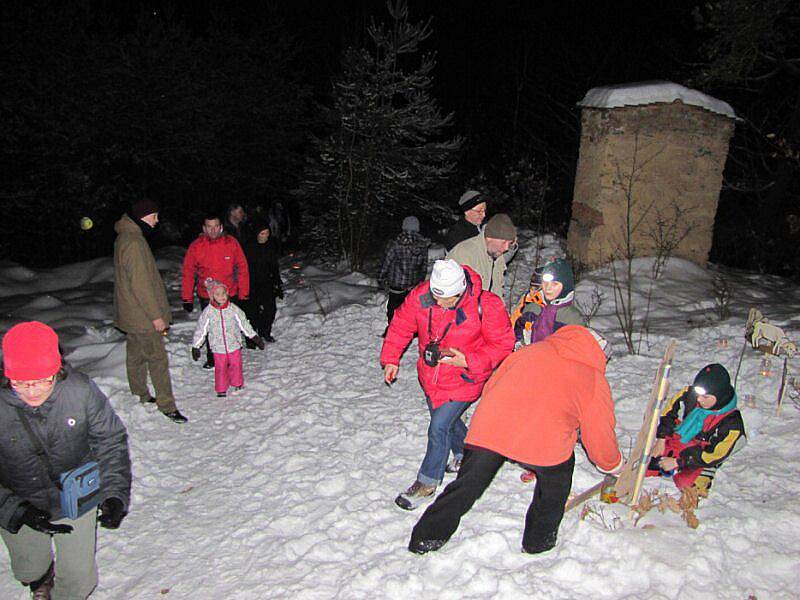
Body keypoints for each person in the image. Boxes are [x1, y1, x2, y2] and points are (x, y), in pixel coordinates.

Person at [408, 326, 622, 555]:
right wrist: (613, 465)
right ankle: (538, 542)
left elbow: (492, 385)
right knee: (554, 484)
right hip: (545, 444)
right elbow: (599, 434)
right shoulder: (593, 378)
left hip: (491, 429)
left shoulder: (531, 351)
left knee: (466, 486)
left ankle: (425, 538)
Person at [0, 321, 132, 599]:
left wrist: (114, 493)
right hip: (19, 498)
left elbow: (110, 440)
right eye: (21, 383)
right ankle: (40, 577)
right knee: (27, 570)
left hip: (76, 498)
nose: (33, 391)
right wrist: (14, 508)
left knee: (79, 581)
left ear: (56, 371)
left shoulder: (80, 391)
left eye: (42, 381)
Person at [380, 259, 515, 511]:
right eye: (436, 296)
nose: (439, 303)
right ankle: (465, 454)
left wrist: (469, 360)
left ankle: (427, 482)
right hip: (430, 377)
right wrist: (390, 358)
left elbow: (503, 345)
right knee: (448, 422)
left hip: (465, 378)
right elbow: (401, 325)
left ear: (461, 290)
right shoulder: (422, 296)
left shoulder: (486, 305)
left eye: (447, 299)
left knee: (438, 427)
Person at [113, 199, 187, 423]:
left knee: (135, 357)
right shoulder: (134, 242)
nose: (156, 221)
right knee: (157, 359)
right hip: (142, 315)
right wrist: (156, 316)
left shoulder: (125, 237)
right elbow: (141, 284)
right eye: (154, 216)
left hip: (131, 314)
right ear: (143, 217)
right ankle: (167, 405)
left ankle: (140, 395)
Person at [647, 363, 746, 494]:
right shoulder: (689, 395)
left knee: (689, 486)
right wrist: (661, 439)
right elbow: (669, 414)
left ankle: (705, 474)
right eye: (698, 394)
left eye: (705, 397)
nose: (699, 399)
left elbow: (714, 455)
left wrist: (679, 462)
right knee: (648, 466)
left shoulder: (732, 423)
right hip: (680, 440)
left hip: (702, 453)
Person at [182, 213, 250, 369]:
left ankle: (233, 355)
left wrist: (244, 292)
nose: (212, 230)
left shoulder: (231, 243)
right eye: (209, 227)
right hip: (207, 296)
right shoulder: (196, 246)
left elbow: (243, 267)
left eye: (215, 227)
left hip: (230, 293)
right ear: (204, 228)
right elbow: (188, 272)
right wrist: (187, 298)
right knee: (211, 327)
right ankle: (212, 357)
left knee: (231, 326)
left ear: (221, 227)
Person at [191, 280, 264, 398]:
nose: (221, 297)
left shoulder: (233, 309)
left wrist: (253, 336)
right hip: (218, 347)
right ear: (212, 296)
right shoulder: (208, 312)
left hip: (233, 344)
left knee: (236, 364)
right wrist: (196, 345)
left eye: (223, 293)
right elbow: (201, 329)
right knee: (220, 368)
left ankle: (237, 383)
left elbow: (243, 324)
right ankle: (221, 388)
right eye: (218, 294)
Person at [511, 258, 582, 347]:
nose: (548, 288)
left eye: (555, 284)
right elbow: (516, 333)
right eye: (545, 283)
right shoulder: (532, 308)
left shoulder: (572, 318)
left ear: (566, 287)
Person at [377, 216, 430, 334]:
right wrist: (420, 280)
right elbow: (424, 266)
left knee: (393, 308)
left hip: (397, 284)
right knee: (411, 307)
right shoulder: (422, 245)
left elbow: (386, 262)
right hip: (413, 284)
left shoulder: (396, 244)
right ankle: (413, 330)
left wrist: (381, 277)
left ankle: (393, 330)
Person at [447, 213, 517, 302]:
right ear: (489, 238)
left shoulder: (497, 255)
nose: (506, 248)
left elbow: (496, 293)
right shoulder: (465, 254)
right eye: (504, 242)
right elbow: (457, 300)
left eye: (509, 243)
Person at [242, 219, 283, 343]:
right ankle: (252, 336)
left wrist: (277, 282)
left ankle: (265, 332)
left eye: (267, 233)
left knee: (270, 309)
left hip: (267, 282)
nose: (265, 236)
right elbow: (243, 267)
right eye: (262, 234)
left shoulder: (270, 246)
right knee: (252, 312)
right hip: (252, 283)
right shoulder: (248, 247)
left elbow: (274, 266)